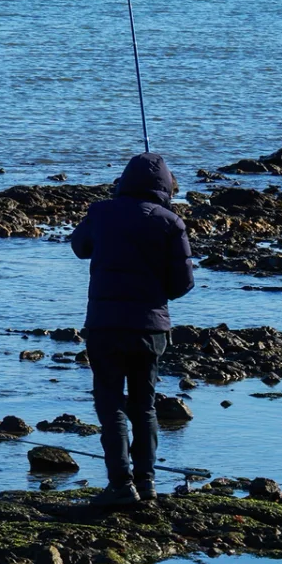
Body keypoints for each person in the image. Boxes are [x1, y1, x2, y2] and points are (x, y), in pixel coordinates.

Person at [69, 151, 194, 506]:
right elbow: (183, 284)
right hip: (150, 328)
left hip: (105, 326)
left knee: (110, 405)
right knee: (144, 406)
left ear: (124, 181)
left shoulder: (102, 213)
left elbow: (80, 248)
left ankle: (121, 484)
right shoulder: (172, 222)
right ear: (166, 186)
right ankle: (147, 484)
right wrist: (155, 295)